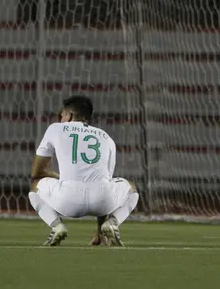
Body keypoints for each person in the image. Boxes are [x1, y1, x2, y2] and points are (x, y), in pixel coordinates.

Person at [29, 95, 139, 246]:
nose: (60, 119)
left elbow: (36, 172)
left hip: (68, 201)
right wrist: (99, 232)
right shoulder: (106, 138)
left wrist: (59, 177)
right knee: (131, 188)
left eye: (61, 116)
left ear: (69, 115)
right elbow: (105, 181)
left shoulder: (55, 128)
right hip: (102, 201)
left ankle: (57, 226)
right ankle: (113, 223)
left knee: (35, 185)